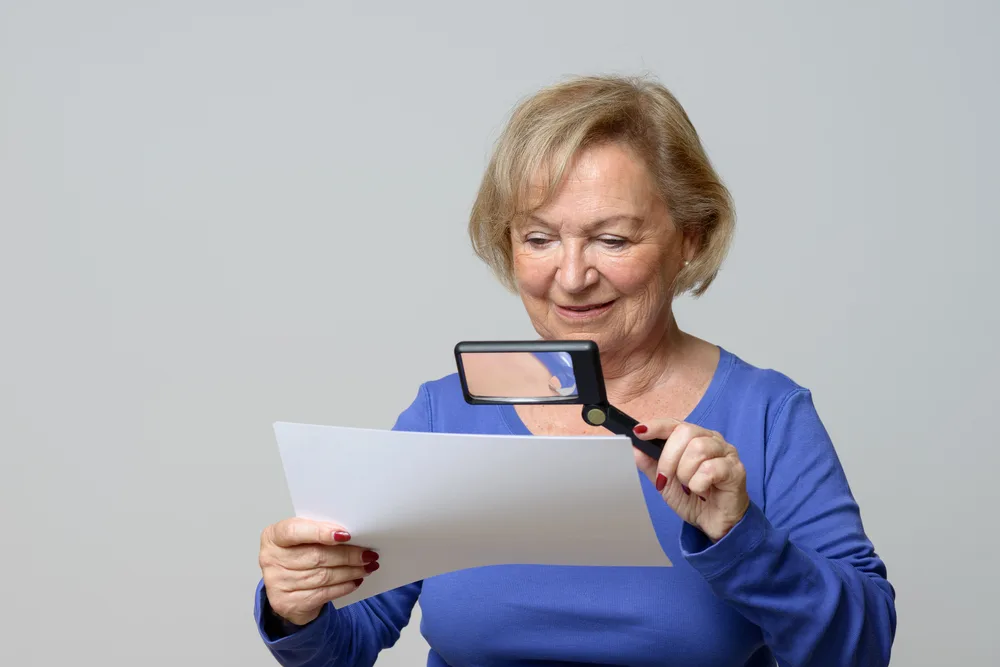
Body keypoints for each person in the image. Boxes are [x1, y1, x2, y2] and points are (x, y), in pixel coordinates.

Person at [253, 74, 897, 666]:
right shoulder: (440, 415)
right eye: (538, 239)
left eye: (612, 239)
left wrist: (740, 535)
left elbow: (860, 649)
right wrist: (297, 606)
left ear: (691, 238)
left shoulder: (766, 415)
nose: (571, 276)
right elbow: (345, 647)